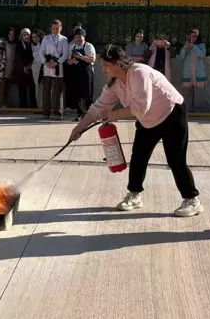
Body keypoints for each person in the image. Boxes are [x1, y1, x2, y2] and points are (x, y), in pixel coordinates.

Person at [69, 45, 202, 217]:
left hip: (172, 114)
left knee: (176, 160)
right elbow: (98, 109)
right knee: (138, 156)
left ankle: (192, 200)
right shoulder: (113, 84)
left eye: (106, 65)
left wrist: (114, 114)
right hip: (147, 121)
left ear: (117, 63)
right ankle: (134, 195)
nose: (103, 69)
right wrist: (79, 128)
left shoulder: (139, 73)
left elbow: (142, 107)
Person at [65, 28, 96, 121]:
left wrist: (81, 57)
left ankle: (89, 114)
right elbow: (67, 61)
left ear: (84, 37)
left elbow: (92, 59)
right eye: (76, 37)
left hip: (86, 72)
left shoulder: (89, 46)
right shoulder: (72, 47)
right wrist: (71, 61)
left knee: (87, 93)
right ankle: (80, 113)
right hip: (75, 73)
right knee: (77, 93)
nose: (78, 39)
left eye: (80, 37)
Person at [40, 19, 69, 120]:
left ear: (60, 28)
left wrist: (57, 62)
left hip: (58, 65)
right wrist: (45, 62)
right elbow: (41, 52)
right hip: (47, 65)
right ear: (51, 28)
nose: (55, 30)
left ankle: (58, 112)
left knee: (58, 90)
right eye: (53, 28)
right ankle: (46, 112)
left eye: (57, 28)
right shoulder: (46, 38)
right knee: (46, 89)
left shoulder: (64, 39)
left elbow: (65, 54)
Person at [179, 28, 207, 111]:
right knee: (187, 92)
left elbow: (202, 55)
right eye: (191, 36)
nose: (193, 38)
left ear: (198, 37)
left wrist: (194, 47)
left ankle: (198, 110)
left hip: (199, 74)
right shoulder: (186, 46)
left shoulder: (201, 45)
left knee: (199, 93)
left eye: (195, 36)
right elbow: (181, 57)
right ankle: (186, 109)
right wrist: (184, 47)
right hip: (188, 73)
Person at [0, 27, 19, 108]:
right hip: (2, 70)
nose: (11, 36)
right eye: (10, 34)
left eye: (13, 34)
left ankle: (4, 105)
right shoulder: (4, 42)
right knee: (1, 89)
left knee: (6, 89)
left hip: (10, 70)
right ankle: (0, 106)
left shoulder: (16, 45)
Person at [18, 28, 38, 108]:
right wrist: (24, 67)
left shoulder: (33, 45)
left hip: (32, 70)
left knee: (32, 89)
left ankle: (33, 107)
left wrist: (30, 66)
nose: (26, 36)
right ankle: (23, 107)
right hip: (21, 71)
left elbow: (36, 57)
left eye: (28, 35)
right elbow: (18, 58)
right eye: (24, 35)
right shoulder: (19, 45)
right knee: (22, 89)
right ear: (22, 36)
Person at [30, 29, 45, 109]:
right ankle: (39, 106)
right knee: (37, 87)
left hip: (43, 67)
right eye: (33, 37)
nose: (35, 39)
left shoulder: (44, 45)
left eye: (37, 37)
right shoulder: (32, 46)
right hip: (35, 68)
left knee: (44, 87)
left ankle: (44, 106)